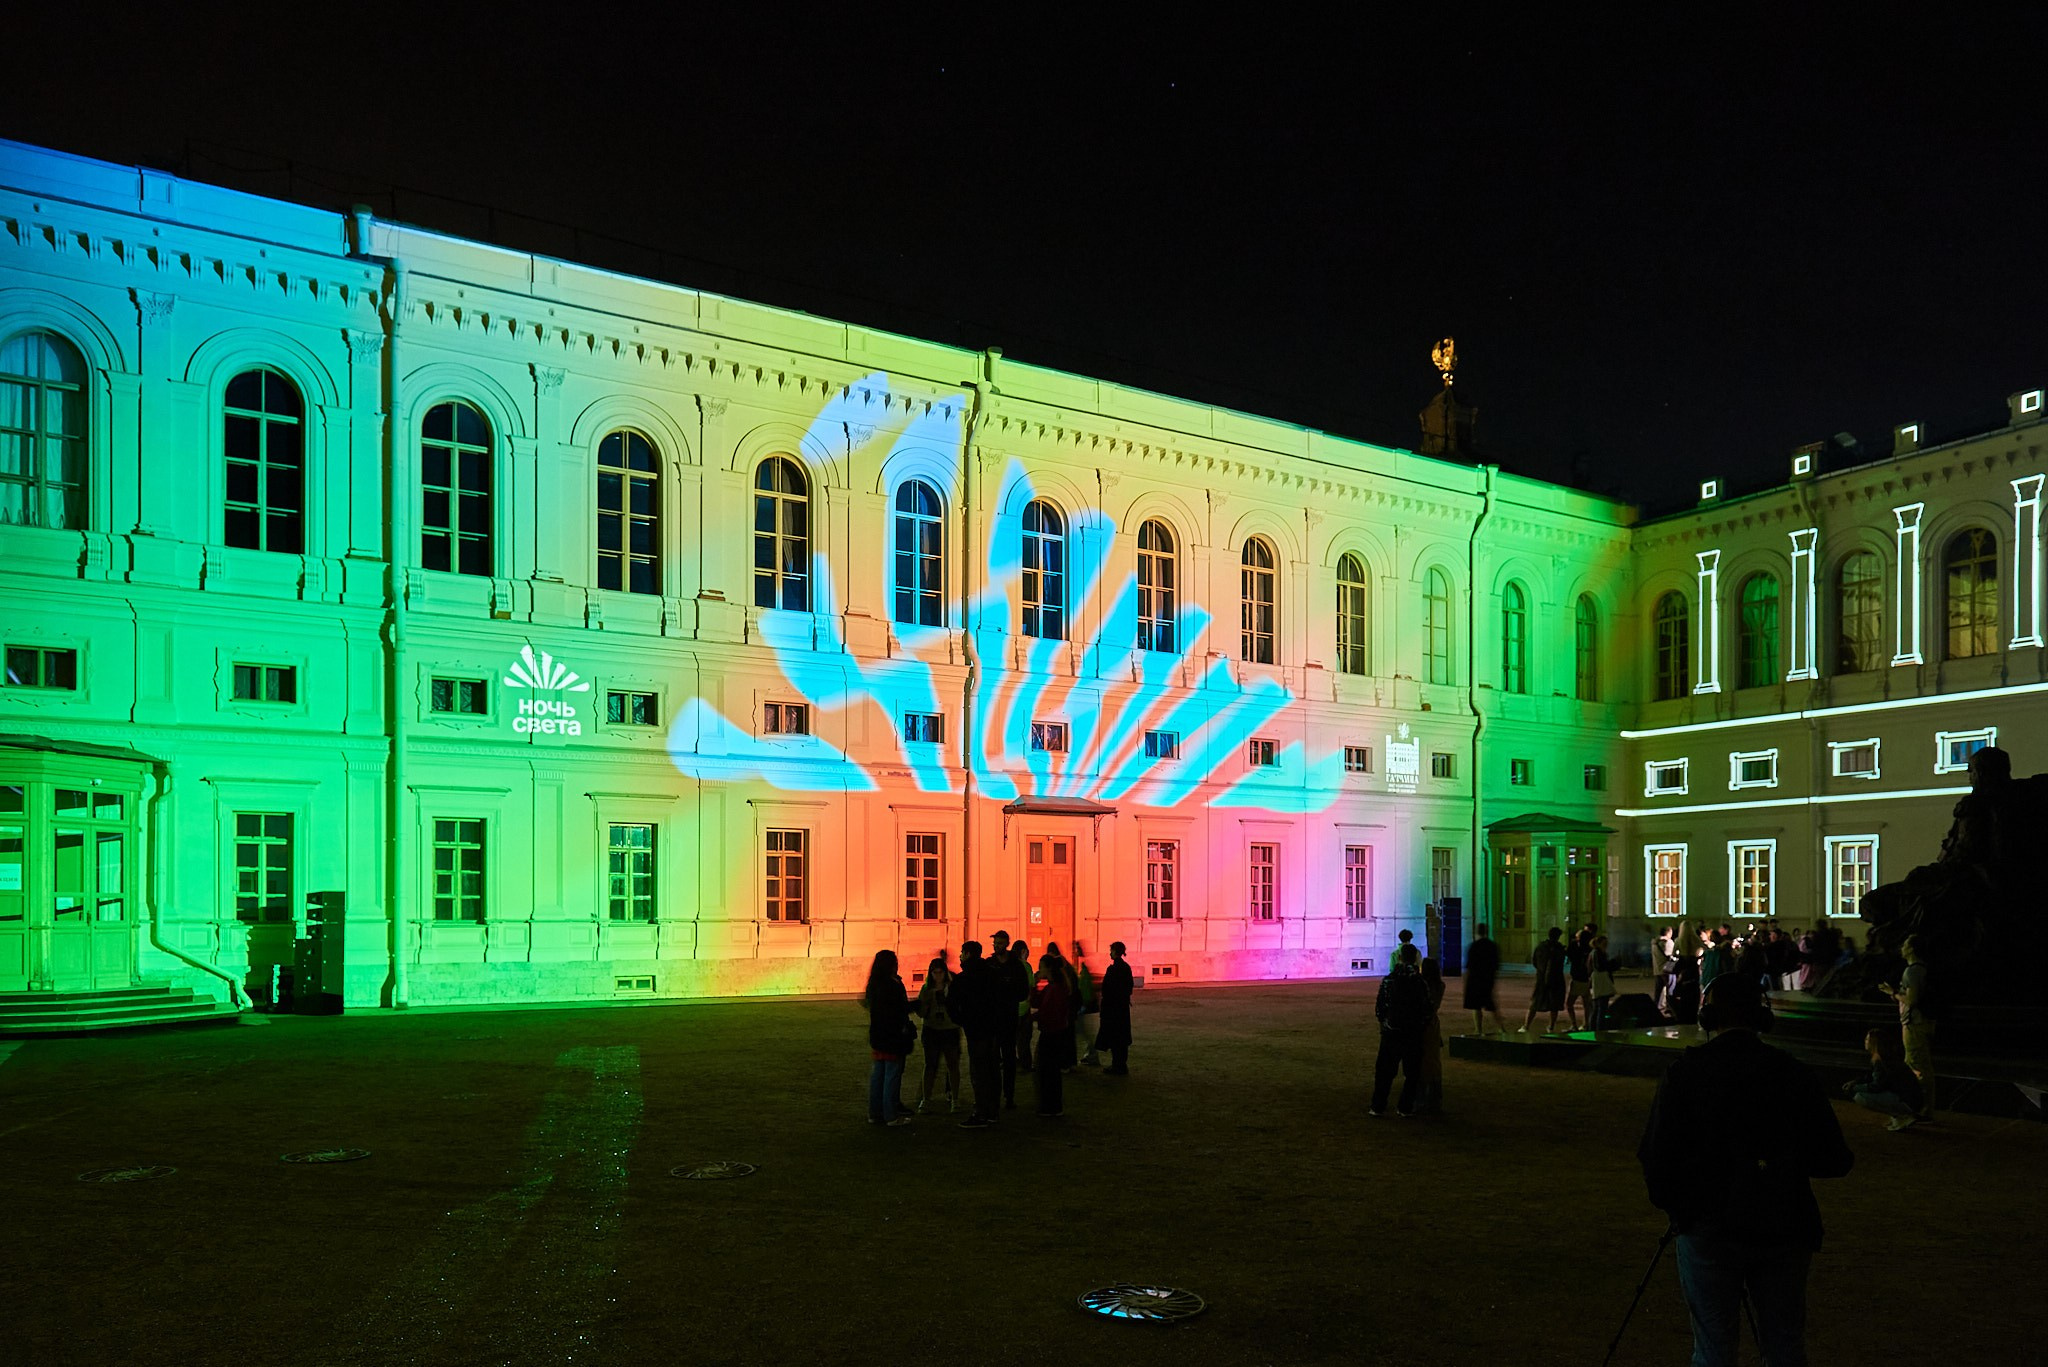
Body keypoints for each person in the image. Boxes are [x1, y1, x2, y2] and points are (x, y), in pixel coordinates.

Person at [1638, 974, 1854, 1367]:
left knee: (1713, 1348)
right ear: (1762, 1017)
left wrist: (1680, 1209)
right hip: (1784, 1222)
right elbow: (1835, 1159)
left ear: (1707, 1016)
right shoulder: (1793, 1073)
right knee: (1785, 1345)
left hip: (1708, 1223)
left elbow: (1656, 1157)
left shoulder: (1685, 1073)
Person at [1881, 934, 1938, 1122]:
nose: (1902, 947)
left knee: (1917, 1066)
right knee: (1920, 1065)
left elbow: (1912, 1000)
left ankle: (1921, 1109)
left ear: (1912, 949)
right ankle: (1923, 1107)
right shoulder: (1923, 969)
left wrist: (1894, 994)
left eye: (1905, 944)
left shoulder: (1911, 972)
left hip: (1914, 1024)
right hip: (1924, 1022)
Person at [948, 941, 1004, 1128]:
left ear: (969, 954)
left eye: (963, 952)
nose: (960, 955)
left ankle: (981, 1112)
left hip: (976, 1030)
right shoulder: (992, 974)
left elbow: (951, 1005)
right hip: (992, 1029)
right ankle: (992, 1111)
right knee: (993, 1069)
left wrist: (963, 1020)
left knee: (979, 1071)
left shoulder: (964, 979)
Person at [1371, 944, 1432, 1116]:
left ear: (1399, 958)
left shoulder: (1389, 980)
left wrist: (1384, 1023)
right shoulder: (1420, 982)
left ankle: (1378, 1106)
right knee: (1412, 1073)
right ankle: (1405, 1107)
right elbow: (1428, 1008)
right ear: (1415, 959)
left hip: (1392, 1032)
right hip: (1413, 1032)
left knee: (1384, 1072)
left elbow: (1380, 1007)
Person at [861, 950, 916, 1126]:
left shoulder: (874, 984)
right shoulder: (892, 985)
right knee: (892, 1075)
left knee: (878, 1075)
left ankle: (875, 1113)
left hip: (878, 1034)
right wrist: (916, 1005)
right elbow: (899, 1009)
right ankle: (891, 1115)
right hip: (893, 1035)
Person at [1841, 1025, 1927, 1132]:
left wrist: (1854, 1087)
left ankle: (1902, 1116)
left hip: (1908, 1102)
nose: (1865, 1041)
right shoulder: (1887, 1058)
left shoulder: (1882, 1062)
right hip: (1911, 1100)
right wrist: (1855, 1082)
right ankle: (1898, 1116)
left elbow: (1877, 1086)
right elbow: (1870, 1077)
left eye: (1868, 1039)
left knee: (1860, 1096)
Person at [913, 955, 962, 1113]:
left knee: (952, 1065)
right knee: (930, 1066)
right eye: (935, 972)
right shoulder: (926, 990)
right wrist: (927, 1002)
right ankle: (926, 1098)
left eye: (940, 972)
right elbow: (921, 1012)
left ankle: (955, 1099)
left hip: (949, 1029)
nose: (938, 976)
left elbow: (959, 1008)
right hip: (932, 1029)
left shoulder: (952, 988)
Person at [1031, 947, 1077, 1116]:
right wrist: (1034, 986)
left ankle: (1051, 1106)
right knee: (1048, 1071)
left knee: (1048, 1071)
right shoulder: (1052, 986)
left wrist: (1035, 1018)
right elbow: (1037, 1003)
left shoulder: (1056, 988)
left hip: (1053, 1034)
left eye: (1041, 966)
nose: (1039, 970)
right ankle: (1051, 1105)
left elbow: (1049, 1012)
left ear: (1048, 968)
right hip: (1052, 1032)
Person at [988, 932, 1026, 1108]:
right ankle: (994, 1095)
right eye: (995, 943)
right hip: (993, 1019)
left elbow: (1023, 992)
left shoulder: (1016, 966)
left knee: (1009, 1059)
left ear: (1007, 944)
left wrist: (1007, 992)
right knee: (993, 1060)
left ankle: (1009, 1096)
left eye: (1000, 943)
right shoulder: (990, 964)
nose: (996, 946)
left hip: (1009, 1018)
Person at [1094, 941, 1134, 1073]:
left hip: (1112, 1008)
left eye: (1111, 950)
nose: (1109, 953)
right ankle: (1121, 1064)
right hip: (1122, 1008)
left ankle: (1117, 1065)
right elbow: (1129, 987)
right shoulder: (1126, 967)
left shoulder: (1113, 969)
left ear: (1115, 952)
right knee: (1121, 1037)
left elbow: (1106, 989)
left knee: (1115, 1037)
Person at [1463, 922, 1508, 1037]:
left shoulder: (1474, 946)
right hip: (1487, 979)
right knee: (1492, 1006)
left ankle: (1478, 1029)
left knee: (1476, 1006)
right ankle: (1501, 1028)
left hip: (1475, 980)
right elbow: (1496, 964)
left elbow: (1469, 966)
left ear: (1477, 932)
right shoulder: (1492, 946)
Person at [1416, 956, 1447, 1113]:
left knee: (1420, 1061)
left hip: (1421, 1024)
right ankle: (1435, 1098)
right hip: (1433, 1024)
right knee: (1434, 1062)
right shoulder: (1440, 985)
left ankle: (1421, 1097)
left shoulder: (1421, 985)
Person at [1522, 927, 1567, 1033]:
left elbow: (1535, 961)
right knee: (1554, 1005)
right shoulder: (1559, 948)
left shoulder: (1541, 946)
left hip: (1541, 979)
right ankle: (1550, 1027)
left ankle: (1526, 1026)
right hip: (1556, 979)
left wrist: (1541, 970)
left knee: (1535, 1003)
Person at [1072, 940, 1102, 1066]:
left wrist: (1083, 1003)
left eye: (1076, 949)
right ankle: (1090, 1055)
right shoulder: (1082, 964)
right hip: (1083, 1003)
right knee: (1083, 1032)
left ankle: (1091, 1055)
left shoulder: (1083, 964)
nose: (1074, 951)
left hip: (1084, 1003)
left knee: (1082, 1031)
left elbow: (1085, 986)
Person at [1011, 936, 1036, 1070]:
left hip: (1011, 1008)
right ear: (1023, 951)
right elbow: (1031, 985)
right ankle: (1025, 1064)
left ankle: (1011, 1061)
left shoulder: (1010, 966)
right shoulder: (1026, 966)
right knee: (1024, 1038)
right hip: (1024, 1007)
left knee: (1011, 1039)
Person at [1564, 926, 1595, 1030]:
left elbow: (1569, 955)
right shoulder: (1590, 949)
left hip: (1577, 978)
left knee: (1569, 1004)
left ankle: (1574, 1024)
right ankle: (1586, 1024)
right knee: (1586, 1004)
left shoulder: (1575, 947)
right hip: (1586, 978)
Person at [1588, 933, 1617, 1031]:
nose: (1606, 945)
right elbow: (1600, 967)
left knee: (1597, 1007)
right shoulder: (1598, 953)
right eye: (1605, 943)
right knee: (1601, 1007)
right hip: (1600, 981)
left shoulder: (1595, 952)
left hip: (1598, 981)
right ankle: (1599, 1028)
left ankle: (1593, 1028)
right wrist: (1612, 963)